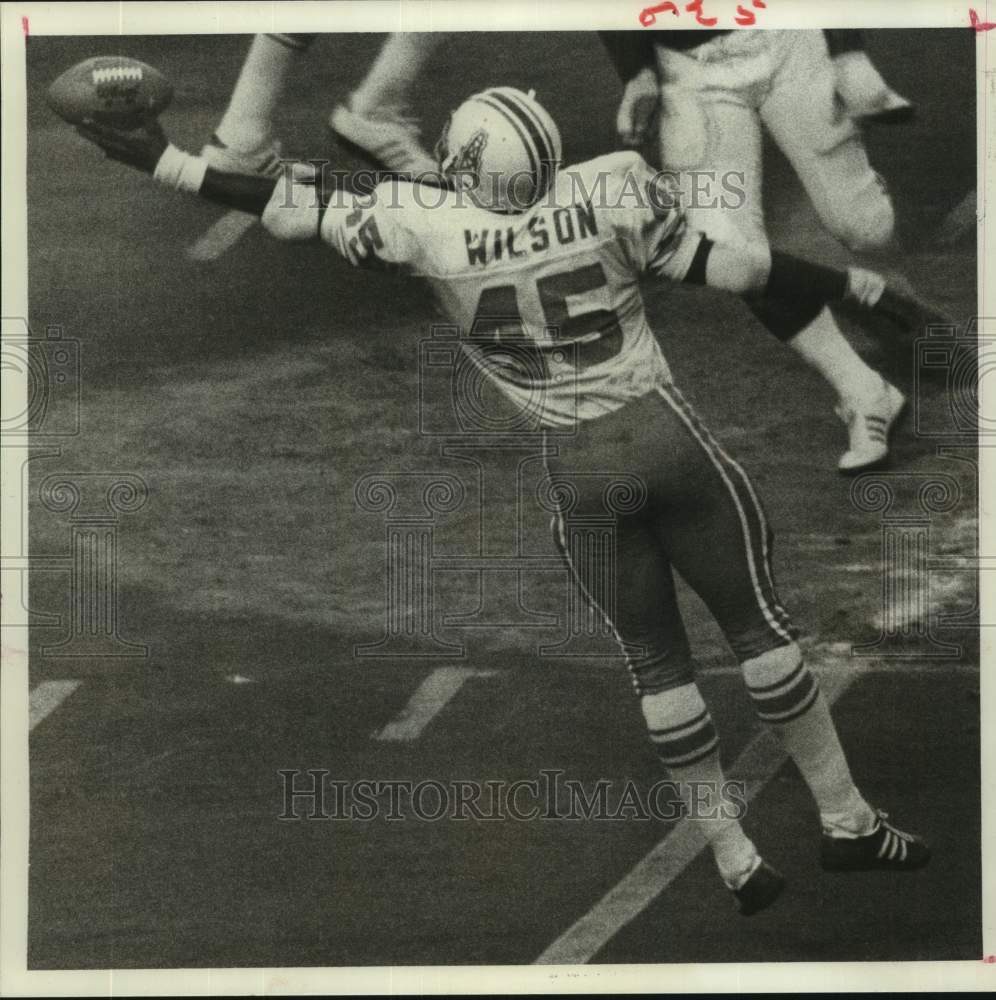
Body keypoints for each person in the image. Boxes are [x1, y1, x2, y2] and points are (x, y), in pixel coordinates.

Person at [76, 85, 930, 916]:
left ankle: (733, 855)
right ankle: (847, 818)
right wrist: (852, 287)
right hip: (664, 440)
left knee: (656, 664)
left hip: (576, 467)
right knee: (759, 631)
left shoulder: (423, 224)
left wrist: (171, 164)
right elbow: (740, 266)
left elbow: (295, 207)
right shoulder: (611, 187)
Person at [603, 28, 912, 474]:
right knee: (732, 256)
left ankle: (857, 233)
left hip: (786, 37)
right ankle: (865, 391)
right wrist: (637, 72)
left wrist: (849, 55)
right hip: (690, 71)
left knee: (868, 228)